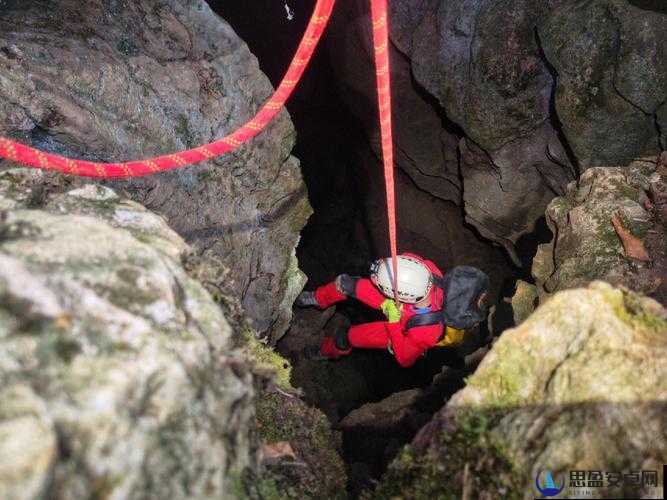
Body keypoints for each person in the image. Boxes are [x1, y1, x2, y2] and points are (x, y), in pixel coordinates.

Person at [296, 253, 479, 368]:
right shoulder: (423, 268)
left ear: (402, 295)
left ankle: (325, 351)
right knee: (347, 284)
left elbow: (404, 359)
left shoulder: (427, 331)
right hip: (396, 302)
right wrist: (381, 270)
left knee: (347, 337)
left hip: (401, 330)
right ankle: (318, 298)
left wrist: (393, 322)